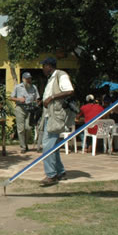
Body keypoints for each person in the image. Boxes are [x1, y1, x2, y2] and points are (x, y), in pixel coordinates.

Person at [40, 57, 74, 186]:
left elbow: (69, 91)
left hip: (56, 116)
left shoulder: (61, 75)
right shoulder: (52, 78)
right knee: (52, 145)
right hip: (50, 115)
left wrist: (51, 97)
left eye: (44, 66)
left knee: (47, 145)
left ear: (49, 66)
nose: (43, 69)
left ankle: (51, 175)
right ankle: (60, 171)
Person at [9, 72, 41, 154]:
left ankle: (25, 143)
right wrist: (19, 99)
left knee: (29, 128)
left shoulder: (34, 87)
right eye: (27, 79)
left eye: (30, 78)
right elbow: (11, 97)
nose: (29, 80)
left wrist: (36, 103)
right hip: (20, 108)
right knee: (21, 129)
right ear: (23, 79)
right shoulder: (18, 87)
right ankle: (23, 147)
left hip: (30, 109)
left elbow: (37, 99)